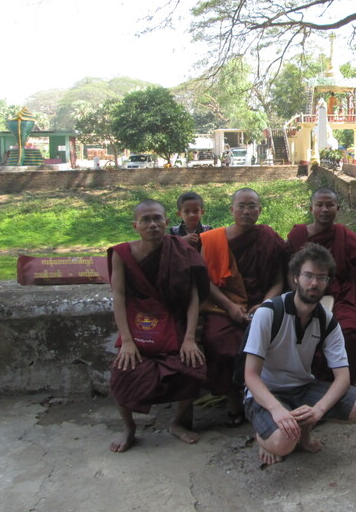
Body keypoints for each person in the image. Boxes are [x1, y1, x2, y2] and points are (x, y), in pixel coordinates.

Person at [243, 243, 356, 465]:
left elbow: (342, 376)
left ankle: (301, 429)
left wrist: (319, 410)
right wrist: (276, 409)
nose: (314, 283)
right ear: (295, 277)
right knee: (284, 444)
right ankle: (264, 435)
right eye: (308, 275)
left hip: (303, 388)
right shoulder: (268, 313)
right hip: (266, 392)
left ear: (328, 282)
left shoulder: (327, 321)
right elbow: (250, 375)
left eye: (321, 277)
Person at [107, 199, 209, 453]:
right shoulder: (122, 254)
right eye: (145, 220)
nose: (152, 224)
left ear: (166, 222)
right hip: (139, 324)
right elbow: (118, 297)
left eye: (157, 219)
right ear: (135, 225)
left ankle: (176, 423)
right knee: (122, 373)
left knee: (194, 366)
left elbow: (194, 296)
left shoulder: (180, 250)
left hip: (174, 322)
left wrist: (189, 338)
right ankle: (129, 428)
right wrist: (127, 341)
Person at [198, 188, 288, 426]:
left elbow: (280, 280)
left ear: (260, 210)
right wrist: (229, 306)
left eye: (252, 206)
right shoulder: (211, 240)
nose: (247, 211)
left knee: (271, 345)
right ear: (232, 210)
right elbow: (204, 282)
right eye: (241, 206)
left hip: (262, 305)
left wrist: (266, 304)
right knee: (220, 341)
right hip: (222, 306)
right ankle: (233, 399)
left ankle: (265, 397)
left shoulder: (269, 237)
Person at [287, 188, 356, 384]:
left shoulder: (347, 237)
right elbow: (290, 274)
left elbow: (355, 278)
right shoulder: (298, 236)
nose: (324, 209)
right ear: (311, 208)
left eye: (329, 205)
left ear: (337, 208)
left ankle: (342, 389)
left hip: (341, 297)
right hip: (305, 299)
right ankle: (314, 387)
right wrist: (299, 302)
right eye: (320, 205)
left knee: (350, 334)